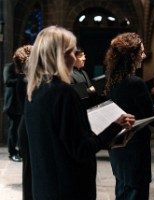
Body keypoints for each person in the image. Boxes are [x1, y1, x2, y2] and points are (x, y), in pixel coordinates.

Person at [24, 25, 135, 200]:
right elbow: (82, 150)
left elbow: (61, 141)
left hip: (45, 187)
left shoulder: (34, 90)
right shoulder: (63, 92)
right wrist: (115, 127)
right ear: (58, 56)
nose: (73, 58)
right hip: (70, 189)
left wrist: (108, 142)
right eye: (70, 52)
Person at [104, 32, 154, 200]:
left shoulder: (113, 81)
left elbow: (133, 108)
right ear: (132, 55)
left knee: (122, 191)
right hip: (135, 149)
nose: (144, 55)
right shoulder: (135, 82)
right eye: (141, 52)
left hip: (118, 147)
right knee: (135, 193)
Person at [14, 45, 33, 200]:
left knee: (29, 168)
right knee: (30, 169)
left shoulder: (24, 79)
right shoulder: (26, 80)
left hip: (25, 124)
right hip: (28, 126)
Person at [3, 62, 22, 162]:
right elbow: (8, 81)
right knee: (13, 129)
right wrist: (23, 80)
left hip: (22, 103)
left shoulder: (26, 68)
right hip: (12, 104)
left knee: (21, 129)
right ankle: (12, 152)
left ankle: (21, 152)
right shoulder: (9, 66)